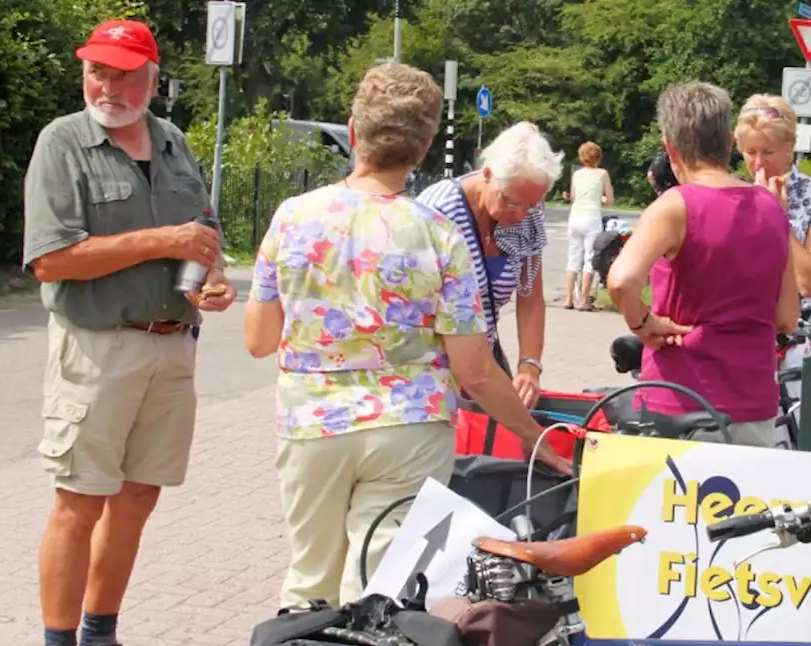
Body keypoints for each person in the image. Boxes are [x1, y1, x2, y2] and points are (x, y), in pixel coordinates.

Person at [243, 63, 569, 613]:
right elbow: (475, 372)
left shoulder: (293, 217)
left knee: (308, 580)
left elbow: (257, 339)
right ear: (421, 152)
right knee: (379, 584)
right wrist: (533, 436)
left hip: (312, 423)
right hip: (408, 427)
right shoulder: (438, 233)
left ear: (353, 132)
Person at [21, 19, 236, 646]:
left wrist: (212, 278)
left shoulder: (172, 142)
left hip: (172, 345)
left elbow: (200, 233)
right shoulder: (63, 143)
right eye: (95, 71)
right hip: (98, 346)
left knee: (137, 500)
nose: (105, 86)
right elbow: (51, 259)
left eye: (120, 73)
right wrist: (161, 240)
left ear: (152, 74)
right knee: (79, 500)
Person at [606, 81, 799, 448]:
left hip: (680, 401)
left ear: (669, 146)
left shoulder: (675, 206)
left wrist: (643, 323)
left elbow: (622, 280)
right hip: (754, 403)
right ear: (729, 141)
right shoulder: (772, 207)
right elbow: (787, 316)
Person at [416, 122, 564, 409]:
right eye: (511, 202)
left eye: (531, 205)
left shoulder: (529, 211)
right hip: (433, 366)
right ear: (487, 174)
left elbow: (530, 296)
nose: (521, 214)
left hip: (485, 358)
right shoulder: (439, 211)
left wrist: (529, 366)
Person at [735, 94, 811, 314]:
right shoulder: (733, 194)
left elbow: (810, 284)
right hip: (740, 327)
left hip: (796, 334)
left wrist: (776, 216)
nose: (758, 163)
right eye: (750, 152)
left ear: (790, 146)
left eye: (768, 152)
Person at [562, 141, 616, 310]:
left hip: (575, 217)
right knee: (589, 260)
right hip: (592, 219)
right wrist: (601, 199)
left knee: (573, 259)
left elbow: (573, 197)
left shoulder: (577, 175)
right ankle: (583, 300)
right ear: (598, 157)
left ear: (582, 157)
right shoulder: (602, 174)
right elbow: (611, 200)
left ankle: (568, 299)